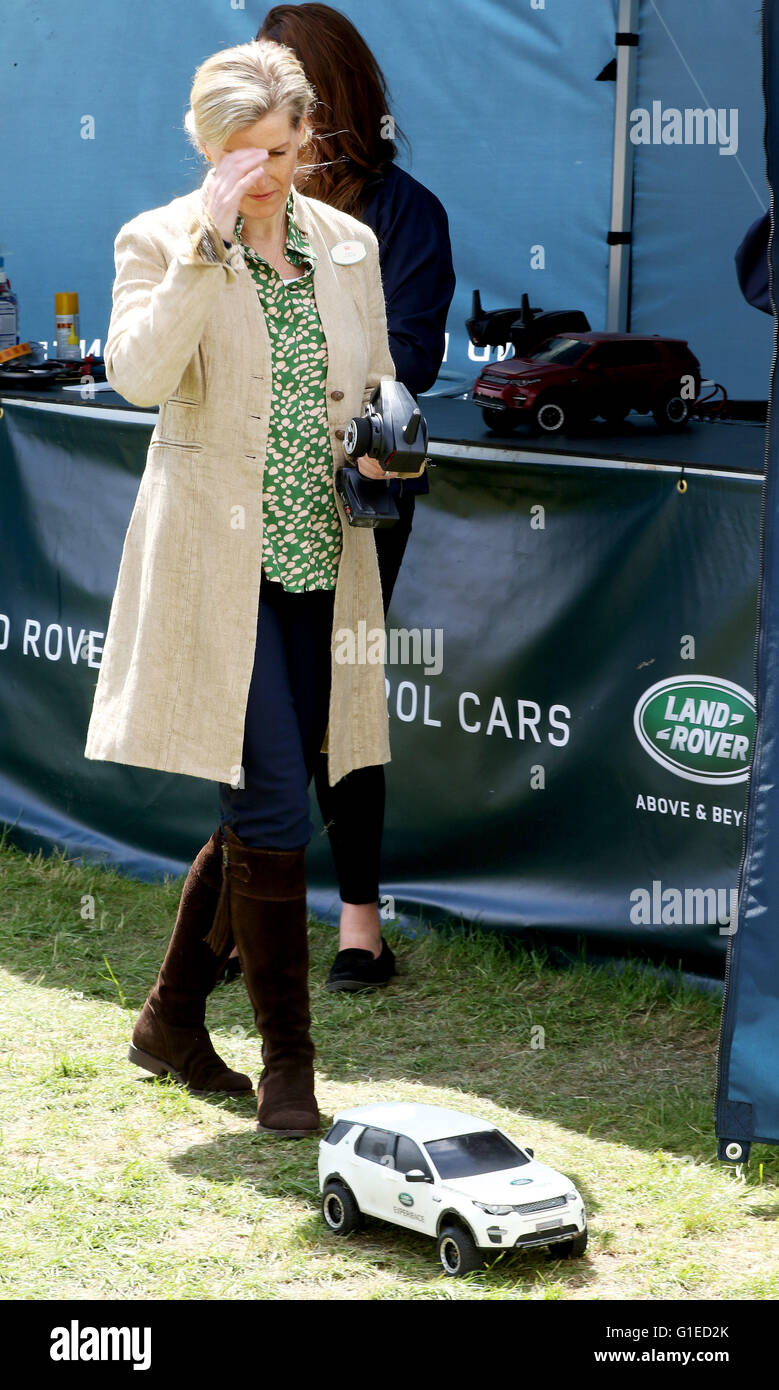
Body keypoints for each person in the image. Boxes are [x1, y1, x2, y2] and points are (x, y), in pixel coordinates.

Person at [84, 37, 403, 1136]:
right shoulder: (160, 239)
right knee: (267, 801)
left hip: (327, 554)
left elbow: (376, 380)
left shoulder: (349, 246)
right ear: (201, 146)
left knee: (276, 801)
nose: (258, 172)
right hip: (214, 570)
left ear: (308, 138)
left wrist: (385, 441)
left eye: (275, 148)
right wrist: (204, 251)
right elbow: (133, 377)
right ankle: (290, 1071)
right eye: (234, 152)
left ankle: (171, 1018)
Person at [240, 2, 457, 993]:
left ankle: (358, 927)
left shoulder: (404, 213)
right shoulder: (238, 207)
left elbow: (406, 358)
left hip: (357, 500)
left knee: (339, 705)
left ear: (335, 98)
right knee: (255, 711)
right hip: (246, 492)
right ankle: (248, 918)